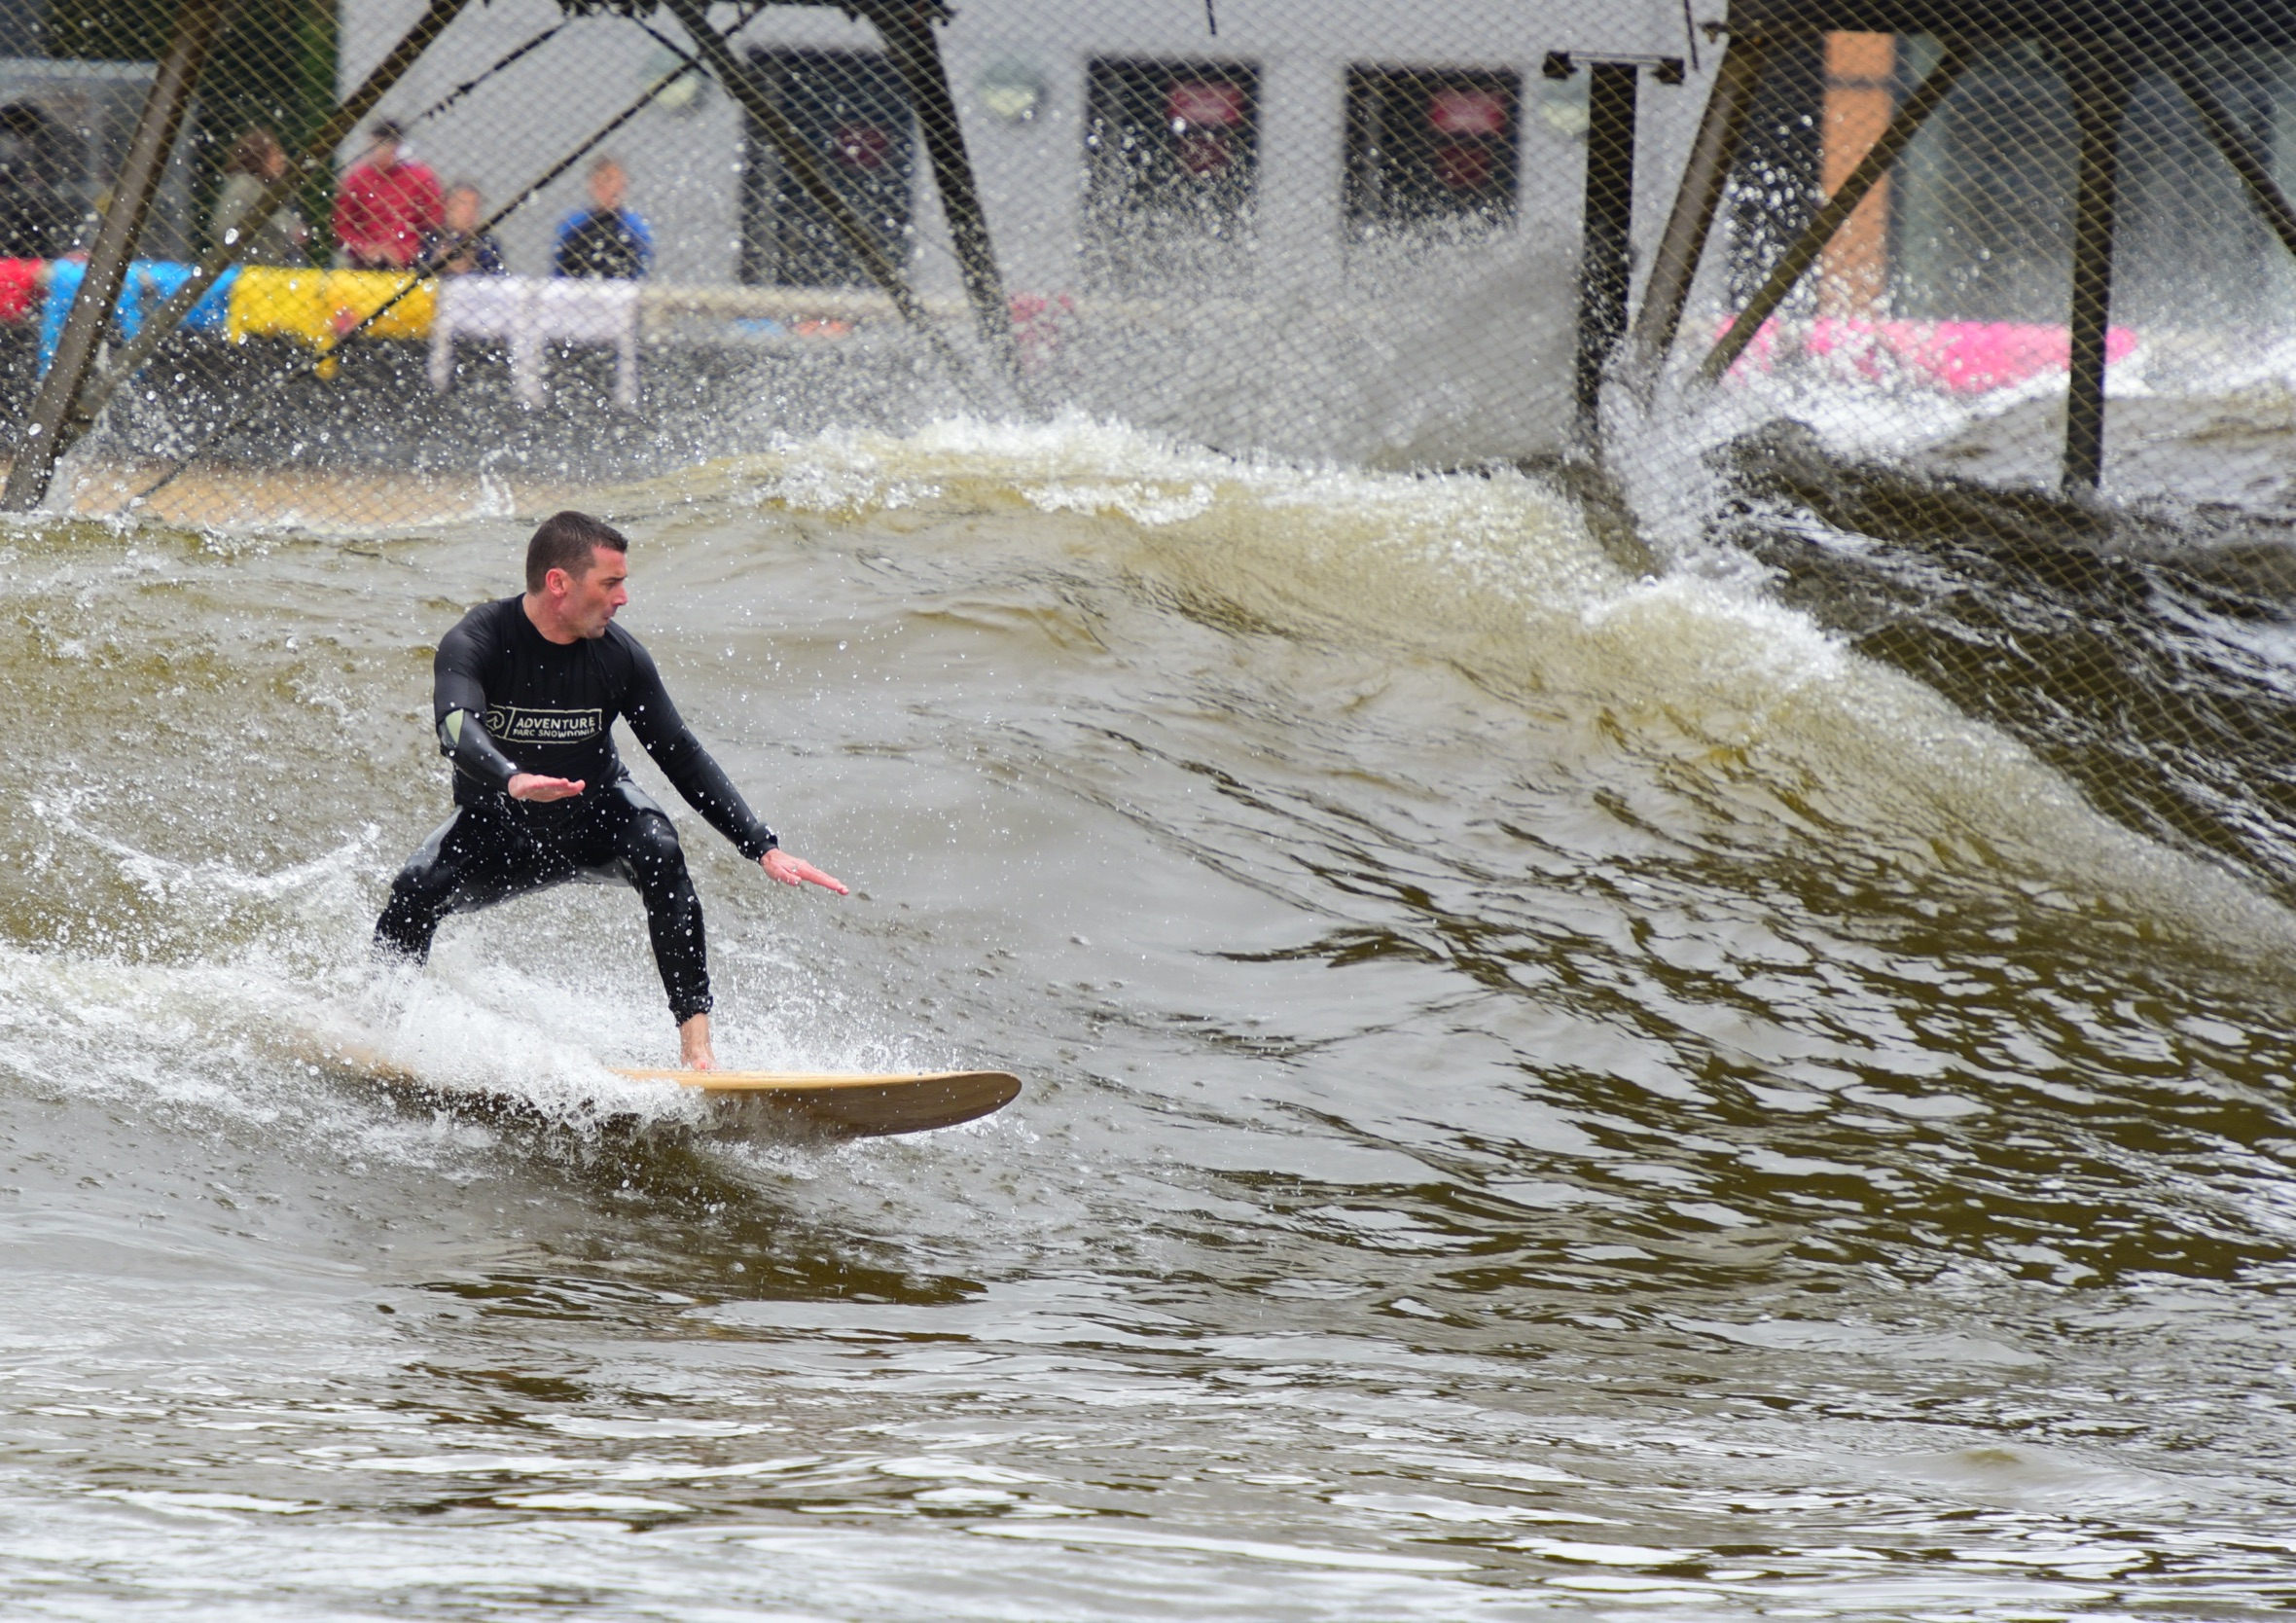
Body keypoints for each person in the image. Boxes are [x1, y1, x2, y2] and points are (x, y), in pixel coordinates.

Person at [375, 512, 845, 1070]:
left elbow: (681, 754)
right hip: (497, 825)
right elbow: (453, 726)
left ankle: (698, 1052)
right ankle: (380, 1029)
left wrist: (760, 844)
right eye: (610, 583)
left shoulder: (618, 657)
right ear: (559, 583)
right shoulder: (478, 640)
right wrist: (511, 778)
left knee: (660, 848)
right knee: (413, 891)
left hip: (594, 819)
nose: (623, 598)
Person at [333, 118, 442, 270]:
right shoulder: (357, 179)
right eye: (373, 147)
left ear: (397, 147)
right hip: (365, 263)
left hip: (412, 262)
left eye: (382, 146)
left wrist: (406, 251)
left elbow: (434, 222)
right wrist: (364, 248)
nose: (377, 152)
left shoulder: (420, 178)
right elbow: (342, 226)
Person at [210, 127, 310, 266]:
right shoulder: (245, 186)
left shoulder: (271, 187)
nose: (282, 159)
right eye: (275, 154)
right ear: (258, 157)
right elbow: (223, 226)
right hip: (251, 264)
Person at [552, 157, 652, 280]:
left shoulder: (635, 227)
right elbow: (558, 266)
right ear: (592, 185)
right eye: (600, 181)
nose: (606, 187)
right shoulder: (573, 224)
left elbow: (642, 268)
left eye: (611, 180)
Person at [0, 101, 75, 260]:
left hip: (40, 212)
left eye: (26, 129)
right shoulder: (10, 149)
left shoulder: (46, 145)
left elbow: (56, 173)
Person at [421, 181, 504, 274]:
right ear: (448, 205)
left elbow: (498, 277)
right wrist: (437, 262)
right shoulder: (431, 238)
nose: (470, 211)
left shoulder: (486, 243)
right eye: (464, 204)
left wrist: (473, 264)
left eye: (475, 205)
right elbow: (417, 269)